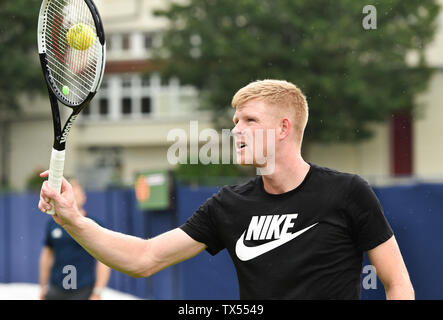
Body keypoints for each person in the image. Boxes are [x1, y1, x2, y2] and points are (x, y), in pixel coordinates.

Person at [38, 80, 414, 299]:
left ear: (283, 128)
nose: (236, 130)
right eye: (235, 121)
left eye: (250, 120)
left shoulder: (348, 192)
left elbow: (397, 283)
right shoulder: (228, 205)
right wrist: (71, 219)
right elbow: (144, 258)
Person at [38, 179, 111, 300]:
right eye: (71, 196)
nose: (74, 200)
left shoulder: (95, 224)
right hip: (56, 289)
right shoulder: (53, 223)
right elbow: (47, 255)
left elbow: (104, 261)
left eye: (77, 196)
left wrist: (97, 292)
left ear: (84, 198)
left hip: (83, 290)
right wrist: (43, 286)